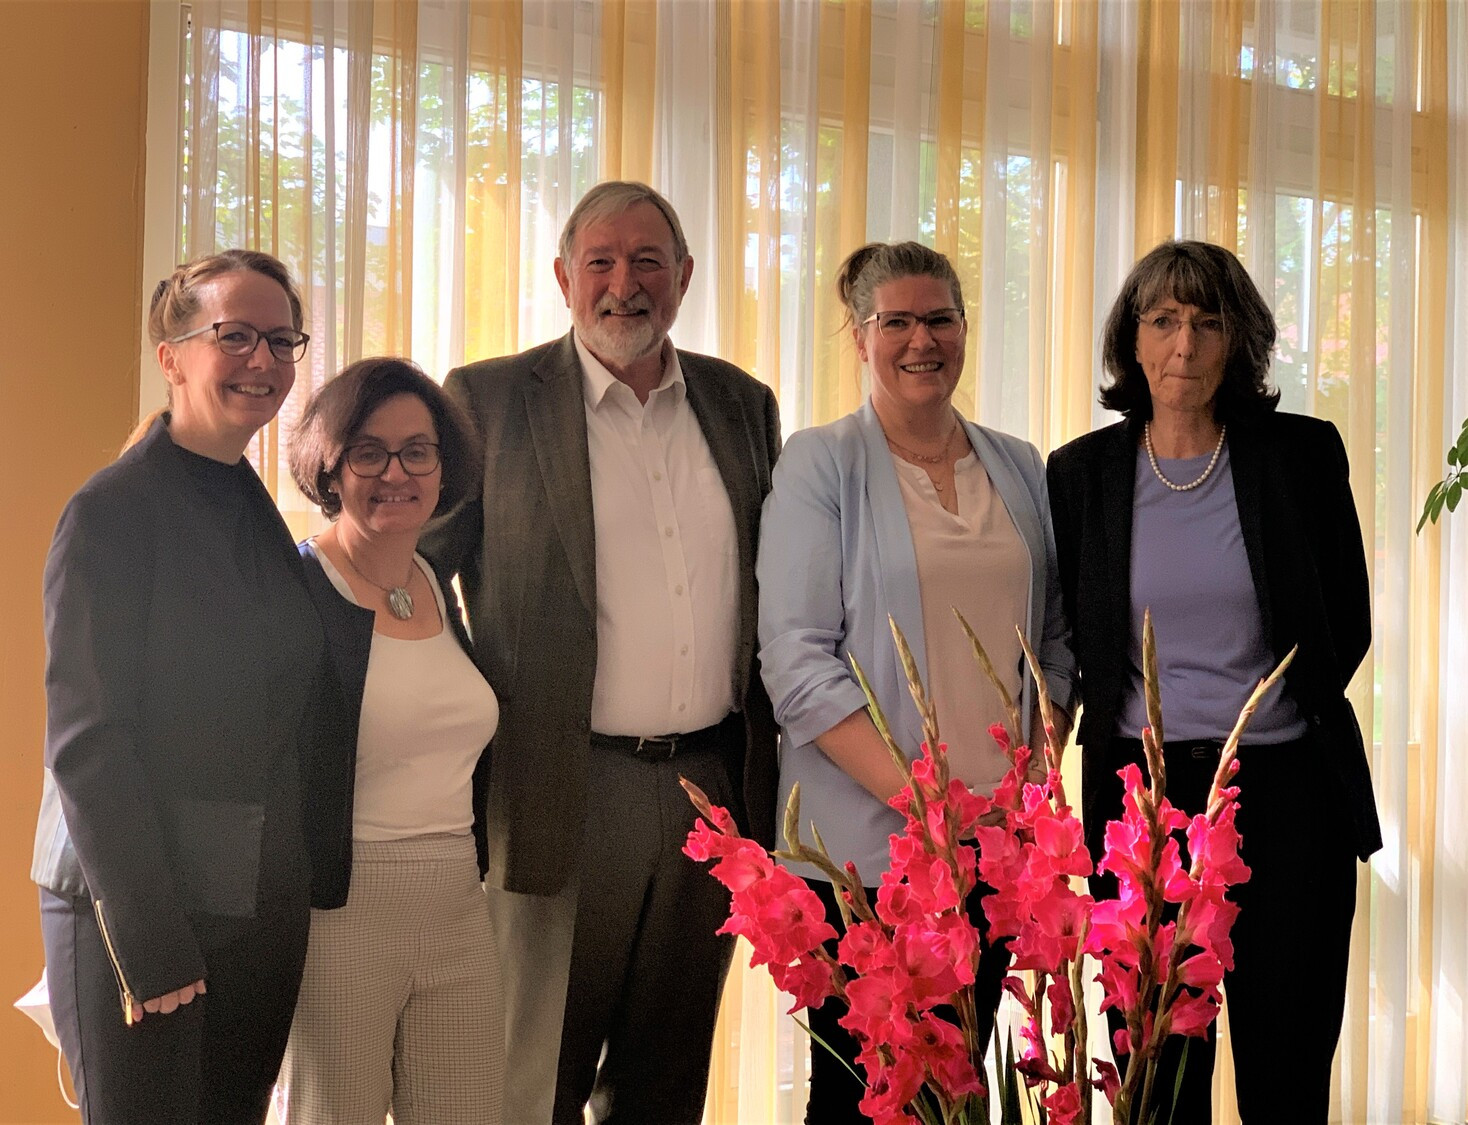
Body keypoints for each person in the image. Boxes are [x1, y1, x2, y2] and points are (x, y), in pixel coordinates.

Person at [422, 180, 781, 1125]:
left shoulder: (744, 405)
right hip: (553, 787)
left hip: (711, 794)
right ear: (562, 276)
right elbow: (416, 572)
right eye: (602, 262)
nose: (626, 284)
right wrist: (463, 710)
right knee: (531, 1080)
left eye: (649, 260)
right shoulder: (490, 399)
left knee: (666, 1086)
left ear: (687, 276)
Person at [1046, 239, 1380, 1122]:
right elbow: (1073, 633)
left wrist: (1261, 726)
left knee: (1286, 1061)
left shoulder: (1301, 456)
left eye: (1207, 322)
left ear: (1240, 342)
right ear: (1133, 339)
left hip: (1288, 796)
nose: (1184, 345)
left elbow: (1345, 621)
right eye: (1163, 321)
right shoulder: (1081, 474)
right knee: (1159, 1075)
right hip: (1143, 805)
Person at [756, 240, 1077, 1122]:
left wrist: (1023, 784)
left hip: (994, 843)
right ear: (860, 337)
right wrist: (926, 803)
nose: (919, 340)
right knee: (863, 1093)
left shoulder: (1019, 465)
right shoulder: (819, 463)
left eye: (938, 319)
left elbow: (1053, 641)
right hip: (870, 849)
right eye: (894, 321)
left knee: (955, 1082)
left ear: (965, 330)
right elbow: (794, 658)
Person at [30, 249, 331, 1124]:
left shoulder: (251, 503)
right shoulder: (112, 511)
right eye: (234, 335)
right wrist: (151, 941)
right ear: (171, 353)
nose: (263, 361)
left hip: (253, 902)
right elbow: (88, 740)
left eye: (281, 340)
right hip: (141, 909)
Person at [276, 357, 504, 1124]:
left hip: (458, 907)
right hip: (342, 915)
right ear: (330, 466)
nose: (395, 471)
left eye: (417, 450)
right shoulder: (298, 588)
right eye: (367, 451)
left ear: (445, 468)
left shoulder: (436, 583)